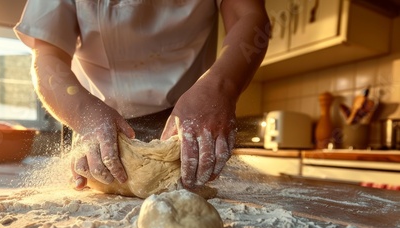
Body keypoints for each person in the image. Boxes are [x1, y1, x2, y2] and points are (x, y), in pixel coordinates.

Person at [14, 0, 269, 191]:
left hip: (188, 125)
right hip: (92, 120)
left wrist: (219, 87)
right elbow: (47, 56)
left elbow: (249, 16)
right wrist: (82, 112)